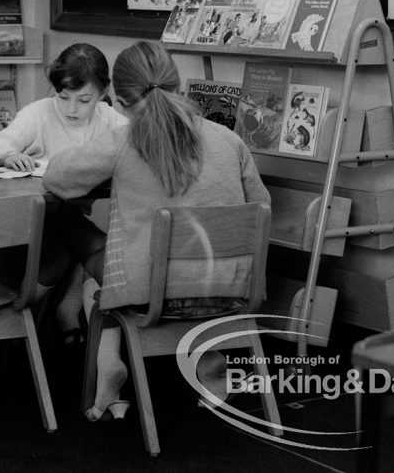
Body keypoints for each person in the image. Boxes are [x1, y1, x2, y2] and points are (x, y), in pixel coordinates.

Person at [43, 40, 270, 421]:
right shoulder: (229, 140)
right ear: (179, 87)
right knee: (116, 273)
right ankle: (209, 362)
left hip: (153, 296)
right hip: (231, 292)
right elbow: (261, 208)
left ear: (121, 101)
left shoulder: (125, 139)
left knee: (95, 271)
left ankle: (107, 359)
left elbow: (57, 179)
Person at [0, 43, 128, 337]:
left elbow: (138, 143)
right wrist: (6, 157)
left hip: (68, 216)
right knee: (56, 261)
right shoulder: (39, 113)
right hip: (25, 218)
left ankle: (108, 335)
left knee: (103, 249)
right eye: (63, 96)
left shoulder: (108, 119)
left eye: (84, 100)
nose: (72, 108)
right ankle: (18, 321)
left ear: (103, 93)